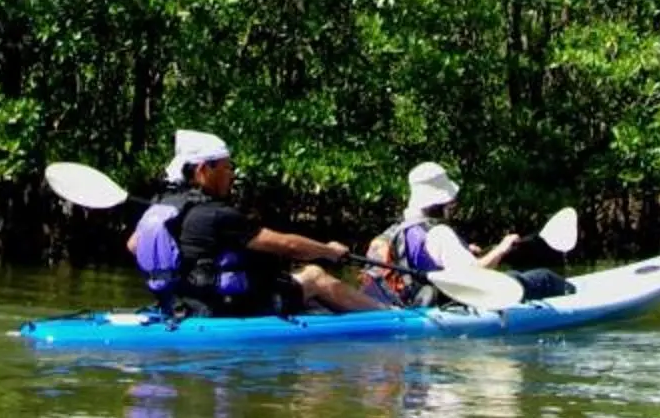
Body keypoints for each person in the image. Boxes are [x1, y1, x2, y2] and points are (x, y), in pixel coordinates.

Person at [128, 130, 387, 317]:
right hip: (224, 309)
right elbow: (288, 246)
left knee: (294, 285)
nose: (232, 174)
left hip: (179, 306)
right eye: (228, 168)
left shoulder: (163, 206)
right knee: (314, 276)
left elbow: (133, 245)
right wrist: (329, 251)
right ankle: (391, 316)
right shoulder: (216, 213)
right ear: (203, 170)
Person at [364, 161, 521, 307]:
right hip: (438, 305)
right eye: (449, 202)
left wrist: (464, 250)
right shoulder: (439, 233)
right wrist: (502, 248)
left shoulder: (398, 229)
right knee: (539, 277)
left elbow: (417, 257)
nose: (451, 205)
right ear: (441, 201)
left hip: (405, 302)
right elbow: (475, 275)